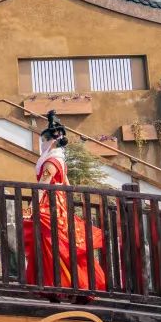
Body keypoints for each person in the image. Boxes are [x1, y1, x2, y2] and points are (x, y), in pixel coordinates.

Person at [22, 111, 106, 297]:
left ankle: (58, 284)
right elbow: (67, 185)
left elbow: (43, 186)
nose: (42, 145)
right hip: (59, 203)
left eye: (43, 141)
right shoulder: (60, 160)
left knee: (51, 242)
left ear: (50, 142)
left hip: (49, 203)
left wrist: (31, 207)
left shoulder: (51, 161)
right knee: (61, 243)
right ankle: (66, 285)